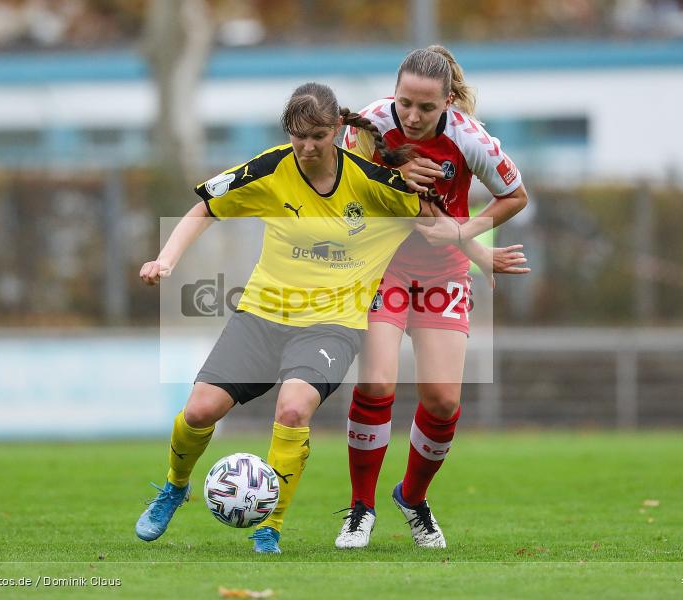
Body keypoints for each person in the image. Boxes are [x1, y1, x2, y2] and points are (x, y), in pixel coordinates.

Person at [133, 81, 510, 555]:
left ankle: (270, 527)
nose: (308, 147)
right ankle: (174, 486)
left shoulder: (373, 183)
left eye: (317, 136)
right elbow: (205, 206)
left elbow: (434, 221)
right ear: (287, 132)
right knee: (199, 411)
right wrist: (166, 261)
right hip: (262, 316)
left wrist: (481, 253)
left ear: (336, 130)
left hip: (333, 325)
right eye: (298, 136)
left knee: (293, 408)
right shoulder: (269, 169)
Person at [335, 46, 530, 550]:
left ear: (448, 102)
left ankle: (413, 498)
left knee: (442, 401)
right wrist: (393, 185)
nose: (413, 116)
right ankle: (361, 508)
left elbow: (516, 196)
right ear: (393, 94)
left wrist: (463, 233)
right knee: (377, 383)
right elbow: (342, 192)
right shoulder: (370, 125)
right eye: (405, 104)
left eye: (426, 107)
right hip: (383, 268)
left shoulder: (470, 139)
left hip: (442, 275)